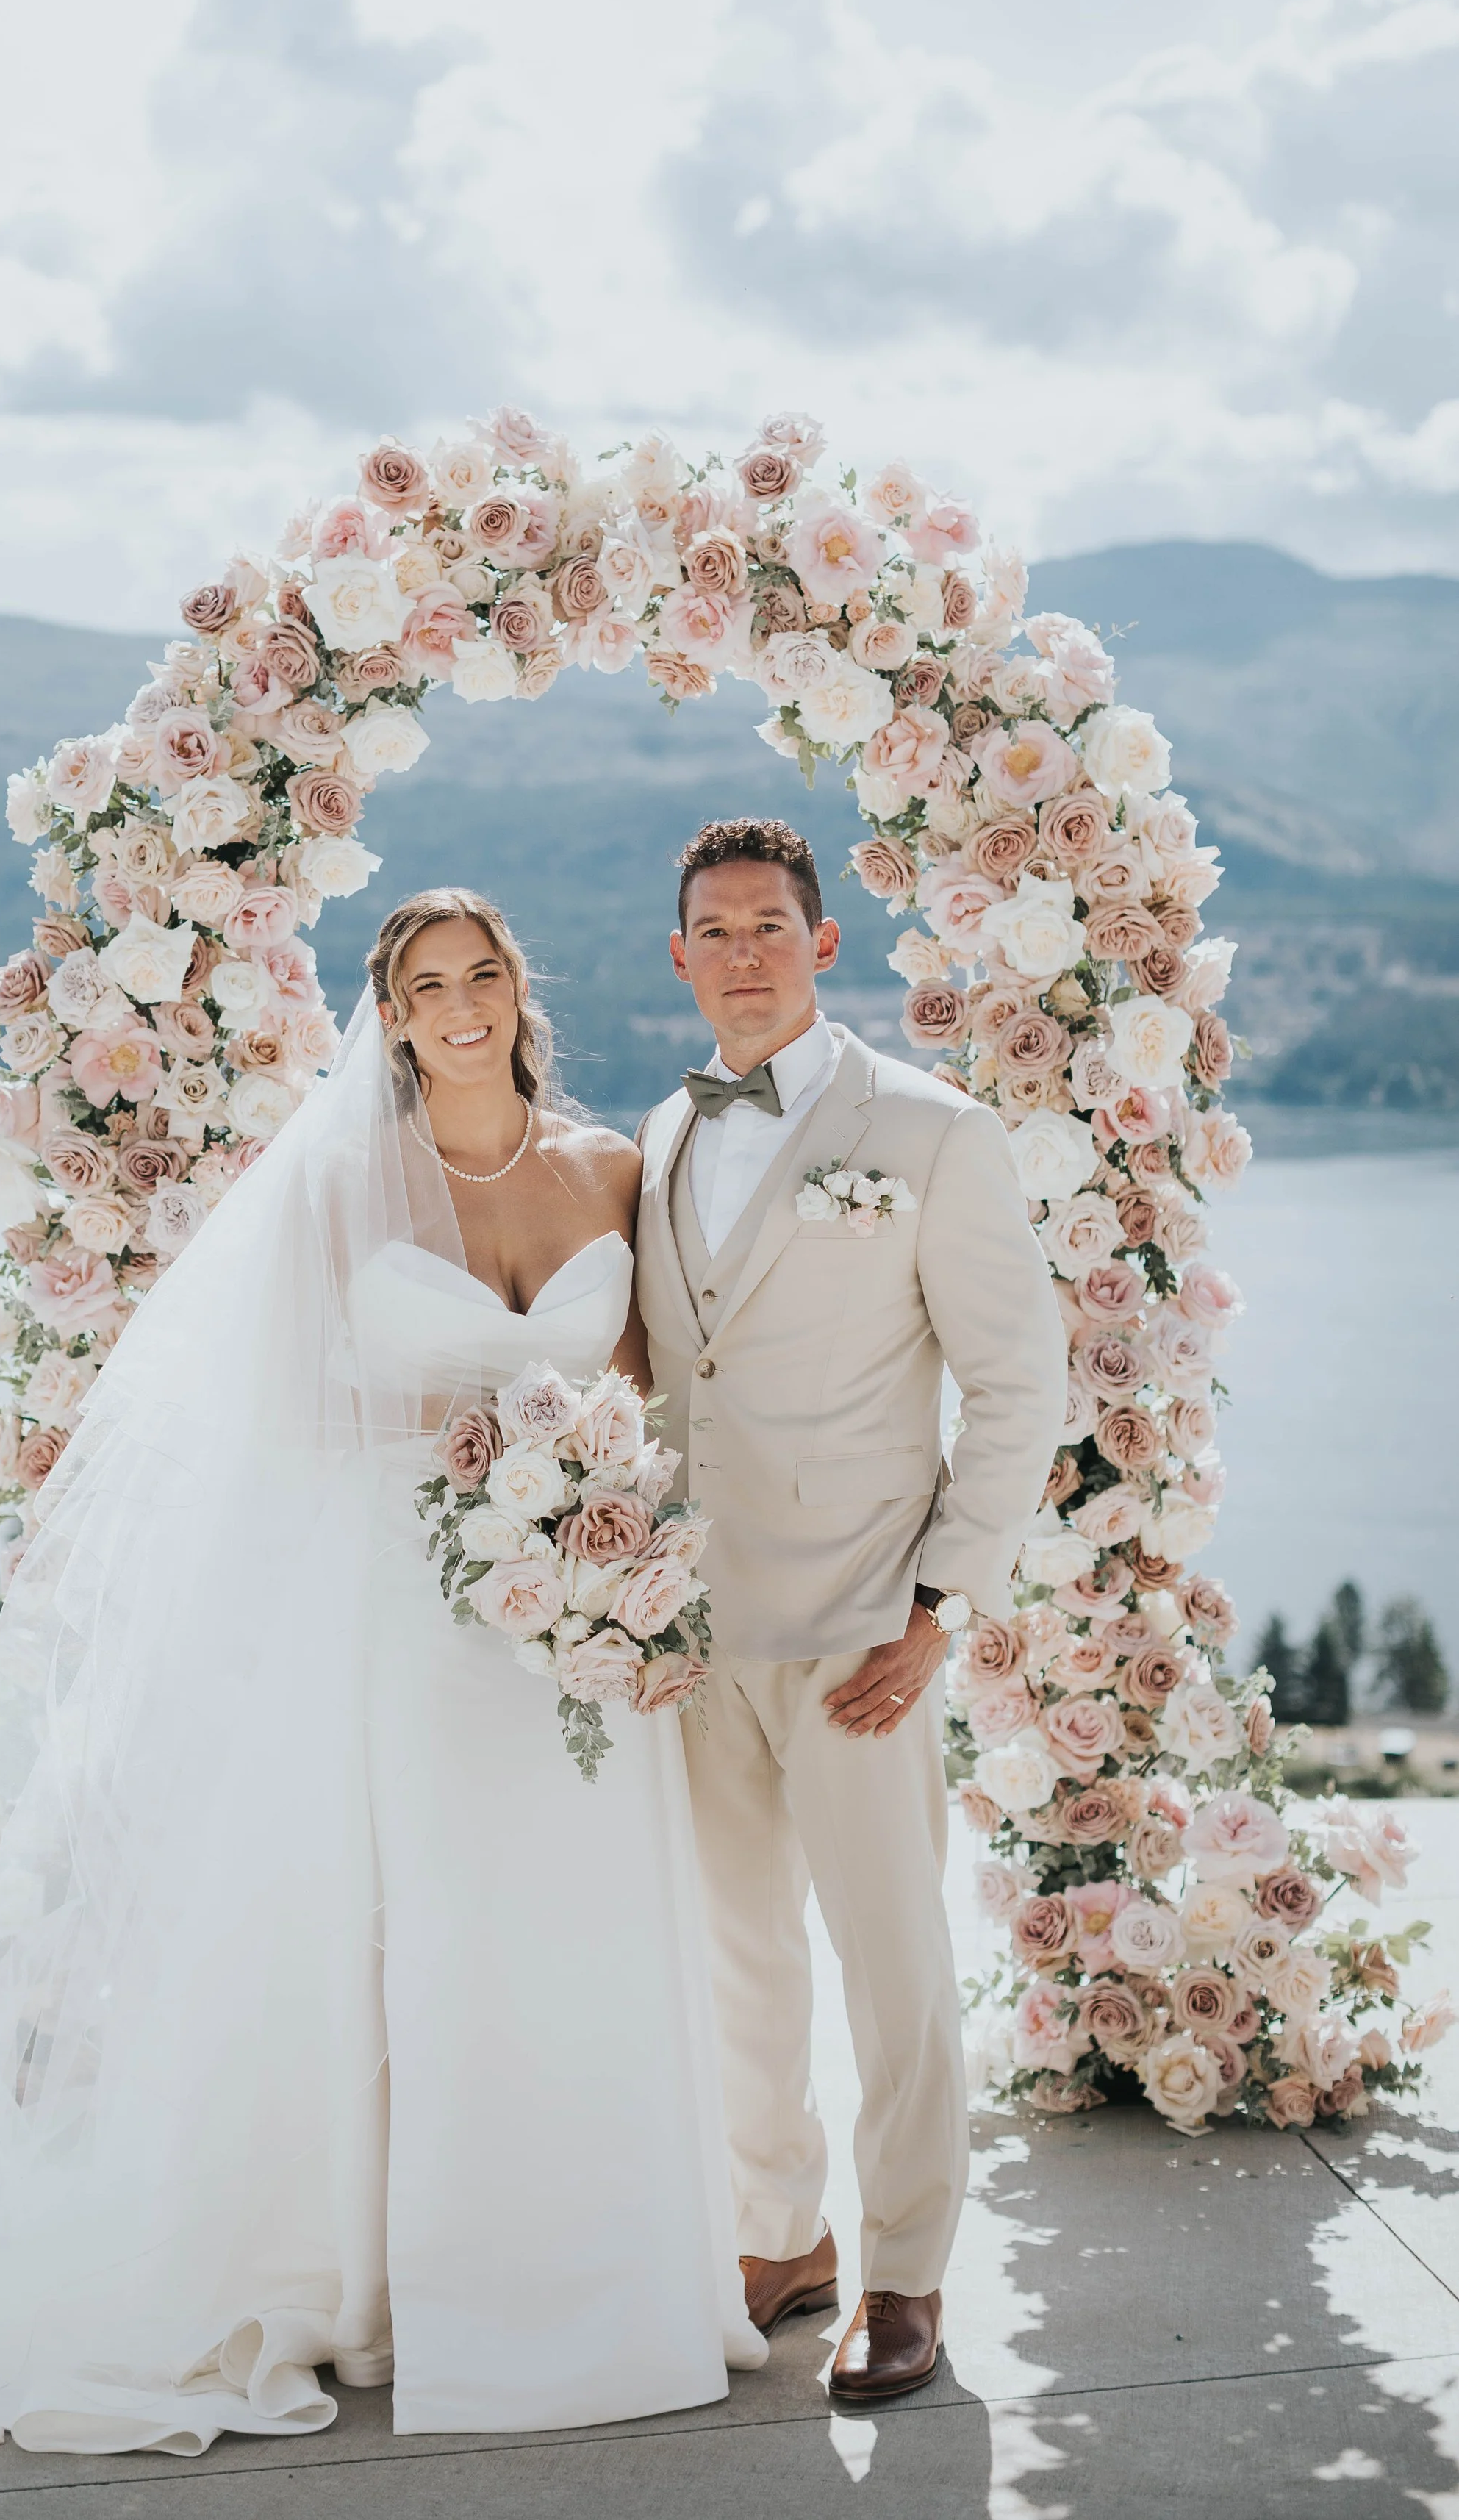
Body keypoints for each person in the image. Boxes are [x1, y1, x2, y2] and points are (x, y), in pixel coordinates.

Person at [0, 887, 764, 2451]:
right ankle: (387, 2278)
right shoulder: (340, 1185)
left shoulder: (607, 1169)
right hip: (409, 1610)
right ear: (391, 1016)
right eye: (429, 986)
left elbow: (638, 1389)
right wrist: (481, 1474)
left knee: (577, 1916)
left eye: (485, 975)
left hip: (584, 1624)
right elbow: (286, 1416)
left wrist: (605, 1542)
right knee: (424, 1922)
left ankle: (593, 2261)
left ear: (521, 991)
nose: (462, 1005)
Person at [634, 818, 1065, 2403]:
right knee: (740, 1956)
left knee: (891, 1961)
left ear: (823, 944)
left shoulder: (934, 1132)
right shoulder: (659, 1134)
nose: (743, 953)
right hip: (691, 1629)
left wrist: (937, 1606)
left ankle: (907, 2271)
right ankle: (783, 2235)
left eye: (770, 925)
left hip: (861, 1626)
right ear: (679, 956)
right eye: (714, 929)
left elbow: (1018, 1386)